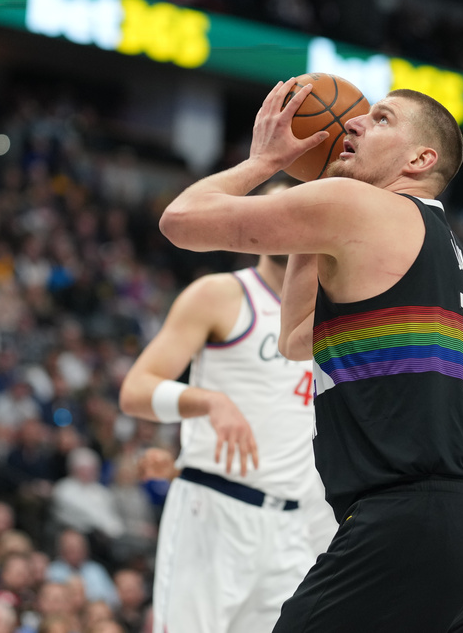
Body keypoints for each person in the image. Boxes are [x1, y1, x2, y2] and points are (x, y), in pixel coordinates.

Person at [158, 83, 463, 632]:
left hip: (409, 519)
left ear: (420, 160)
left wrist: (264, 162)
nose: (354, 122)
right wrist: (319, 196)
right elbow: (298, 336)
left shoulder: (364, 207)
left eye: (382, 118)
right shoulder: (452, 252)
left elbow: (181, 220)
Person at [118, 226, 336, 633]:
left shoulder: (332, 315)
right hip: (214, 506)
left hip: (293, 523)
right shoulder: (221, 294)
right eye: (278, 205)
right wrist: (208, 401)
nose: (289, 217)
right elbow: (135, 391)